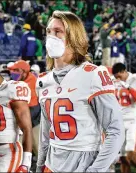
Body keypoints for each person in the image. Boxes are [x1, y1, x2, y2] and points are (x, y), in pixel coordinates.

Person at [36, 10, 124, 172]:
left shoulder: (93, 74)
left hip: (83, 163)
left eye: (58, 31)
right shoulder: (43, 81)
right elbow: (45, 134)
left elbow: (116, 131)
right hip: (52, 164)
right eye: (49, 32)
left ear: (73, 36)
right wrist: (39, 166)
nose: (51, 37)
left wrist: (95, 170)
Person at [112, 63, 136, 173]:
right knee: (123, 158)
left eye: (119, 76)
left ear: (124, 71)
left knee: (131, 154)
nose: (117, 79)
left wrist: (128, 87)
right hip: (120, 121)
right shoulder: (114, 81)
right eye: (116, 77)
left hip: (133, 120)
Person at [8, 60, 41, 157]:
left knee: (37, 148)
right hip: (25, 115)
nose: (14, 73)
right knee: (19, 149)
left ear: (24, 71)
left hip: (33, 115)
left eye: (17, 70)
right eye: (13, 70)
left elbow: (25, 107)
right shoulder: (20, 81)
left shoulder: (31, 82)